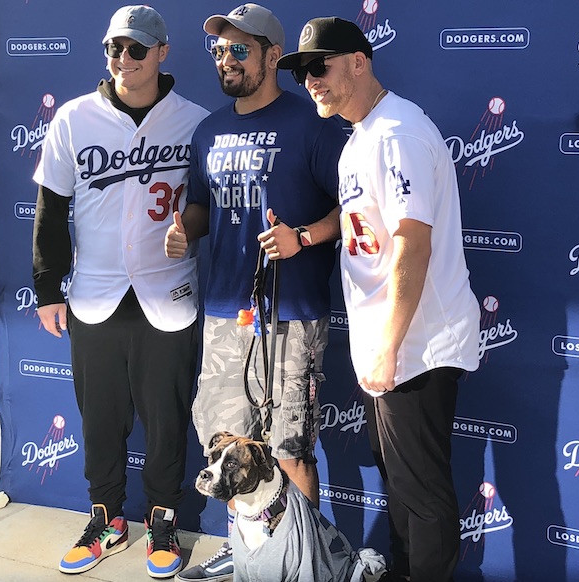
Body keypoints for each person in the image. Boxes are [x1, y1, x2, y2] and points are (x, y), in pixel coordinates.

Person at [277, 17, 481, 582]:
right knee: (399, 482)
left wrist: (389, 346)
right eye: (302, 73)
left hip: (416, 343)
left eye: (320, 66)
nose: (311, 81)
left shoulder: (397, 133)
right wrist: (308, 236)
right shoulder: (361, 136)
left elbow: (413, 244)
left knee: (420, 489)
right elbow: (360, 220)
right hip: (387, 343)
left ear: (359, 61)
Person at [164, 4, 348, 581]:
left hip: (291, 315)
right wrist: (184, 229)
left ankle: (302, 563)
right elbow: (200, 205)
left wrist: (304, 237)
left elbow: (356, 208)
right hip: (225, 315)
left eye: (240, 49)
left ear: (273, 56)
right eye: (220, 51)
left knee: (289, 450)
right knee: (229, 451)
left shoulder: (312, 125)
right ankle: (245, 555)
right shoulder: (208, 131)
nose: (227, 59)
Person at [31, 5, 208, 578]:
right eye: (114, 49)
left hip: (168, 294)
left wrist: (193, 229)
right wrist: (46, 287)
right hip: (95, 294)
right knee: (101, 417)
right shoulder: (74, 120)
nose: (123, 60)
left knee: (165, 418)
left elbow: (209, 206)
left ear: (161, 53)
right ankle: (106, 517)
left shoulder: (195, 121)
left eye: (136, 49)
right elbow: (51, 208)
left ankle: (162, 521)